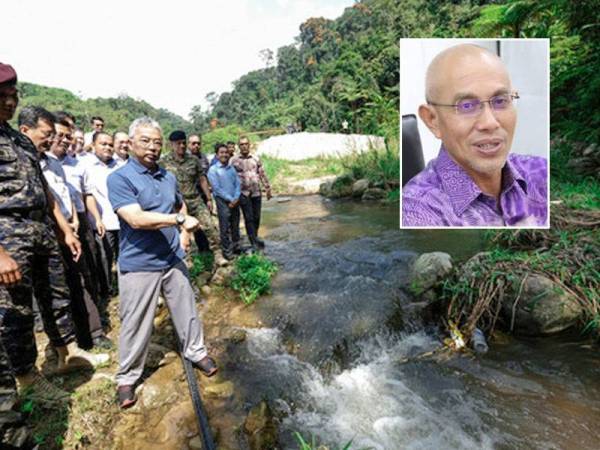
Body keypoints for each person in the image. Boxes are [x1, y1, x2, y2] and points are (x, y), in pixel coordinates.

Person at [0, 64, 107, 410]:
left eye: (13, 96)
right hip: (7, 233)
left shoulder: (18, 140)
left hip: (42, 228)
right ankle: (28, 379)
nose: (9, 102)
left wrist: (63, 228)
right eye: (1, 97)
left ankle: (66, 353)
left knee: (56, 293)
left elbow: (43, 189)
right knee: (16, 309)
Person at [107, 117, 217, 409]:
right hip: (140, 262)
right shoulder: (119, 178)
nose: (152, 147)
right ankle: (127, 378)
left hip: (172, 257)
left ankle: (196, 352)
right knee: (135, 321)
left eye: (157, 141)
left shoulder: (167, 176)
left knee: (187, 310)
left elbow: (179, 203)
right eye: (145, 141)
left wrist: (182, 234)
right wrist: (179, 220)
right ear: (130, 144)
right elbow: (135, 218)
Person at [402, 44, 548, 227]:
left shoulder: (540, 173)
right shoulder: (418, 211)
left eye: (501, 101)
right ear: (432, 120)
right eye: (466, 106)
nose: (490, 123)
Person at [42, 112, 112, 349]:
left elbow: (68, 195)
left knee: (83, 278)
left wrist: (73, 220)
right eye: (59, 135)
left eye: (67, 135)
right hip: (50, 233)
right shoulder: (35, 163)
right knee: (58, 289)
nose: (64, 140)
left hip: (73, 227)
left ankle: (93, 333)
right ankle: (66, 343)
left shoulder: (58, 164)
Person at [161, 131, 226, 266]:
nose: (182, 146)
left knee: (210, 226)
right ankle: (186, 259)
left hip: (195, 200)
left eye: (184, 143)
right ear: (171, 144)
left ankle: (218, 255)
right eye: (178, 143)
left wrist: (208, 199)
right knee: (181, 231)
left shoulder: (193, 160)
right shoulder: (163, 162)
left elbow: (202, 179)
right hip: (177, 204)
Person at [83, 132, 120, 299]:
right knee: (104, 258)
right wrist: (97, 219)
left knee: (123, 256)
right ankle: (105, 292)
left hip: (122, 220)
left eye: (110, 145)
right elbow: (87, 195)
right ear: (93, 145)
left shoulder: (119, 166)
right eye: (103, 144)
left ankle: (122, 286)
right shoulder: (86, 166)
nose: (107, 148)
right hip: (102, 222)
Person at [230, 136, 272, 249]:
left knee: (257, 217)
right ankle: (253, 241)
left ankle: (255, 236)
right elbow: (230, 177)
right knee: (248, 218)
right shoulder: (234, 160)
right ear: (239, 146)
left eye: (246, 144)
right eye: (242, 144)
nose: (244, 146)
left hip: (256, 192)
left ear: (250, 145)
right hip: (243, 193)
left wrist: (267, 188)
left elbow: (262, 173)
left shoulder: (255, 158)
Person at [208, 143, 241, 260]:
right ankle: (227, 252)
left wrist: (236, 197)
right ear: (217, 155)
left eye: (226, 152)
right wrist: (231, 199)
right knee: (225, 227)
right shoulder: (213, 170)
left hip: (235, 200)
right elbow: (216, 188)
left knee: (235, 225)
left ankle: (236, 247)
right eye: (221, 152)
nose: (224, 155)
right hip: (222, 201)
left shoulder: (231, 168)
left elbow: (238, 183)